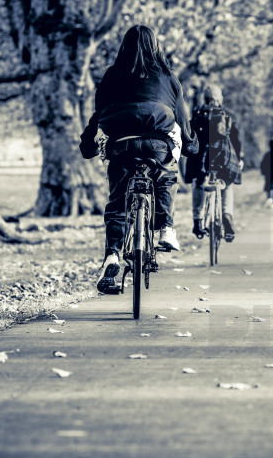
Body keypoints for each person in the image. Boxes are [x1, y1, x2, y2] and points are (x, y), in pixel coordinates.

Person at [79, 25, 197, 295]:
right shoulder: (168, 77)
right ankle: (166, 227)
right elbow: (181, 117)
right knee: (166, 175)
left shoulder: (111, 75)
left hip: (121, 141)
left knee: (118, 200)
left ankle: (112, 255)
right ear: (156, 47)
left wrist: (87, 145)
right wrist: (190, 144)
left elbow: (98, 115)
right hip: (158, 138)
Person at [185, 85, 243, 242]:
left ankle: (197, 220)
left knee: (198, 183)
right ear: (220, 99)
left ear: (204, 99)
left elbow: (190, 138)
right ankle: (226, 215)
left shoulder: (197, 115)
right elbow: (236, 142)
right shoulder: (227, 116)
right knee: (227, 185)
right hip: (222, 160)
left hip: (201, 161)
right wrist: (239, 159)